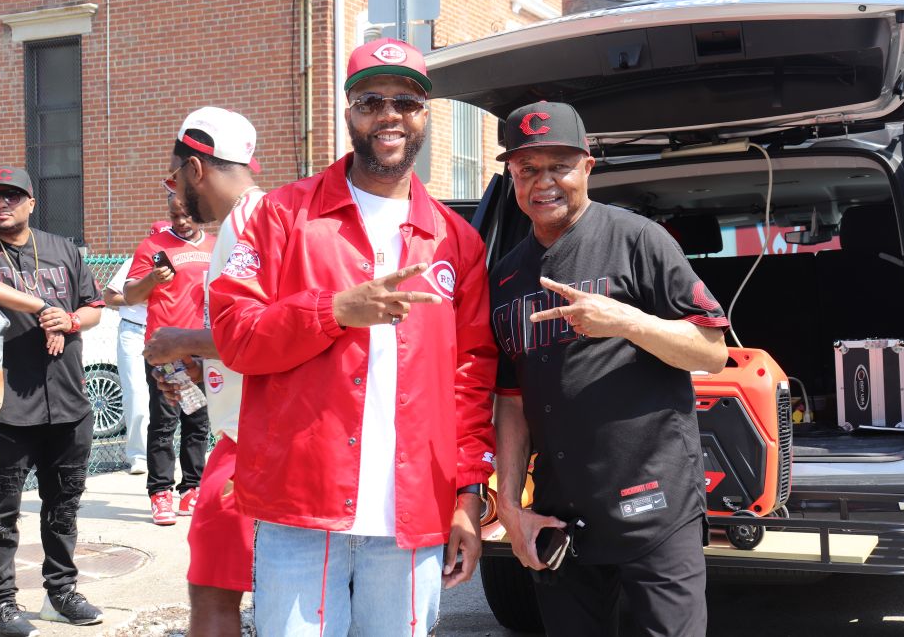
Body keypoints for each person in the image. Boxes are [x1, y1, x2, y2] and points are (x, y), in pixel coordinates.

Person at [208, 38, 496, 636]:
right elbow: (235, 335)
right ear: (348, 112)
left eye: (406, 101)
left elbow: (471, 383)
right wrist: (335, 309)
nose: (389, 115)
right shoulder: (282, 216)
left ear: (424, 114)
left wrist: (469, 497)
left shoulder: (456, 241)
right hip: (299, 509)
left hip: (412, 515)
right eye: (371, 101)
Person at [489, 102, 729, 637]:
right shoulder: (506, 276)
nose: (543, 182)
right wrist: (509, 507)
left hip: (656, 500)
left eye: (559, 165)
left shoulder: (639, 240)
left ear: (588, 167)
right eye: (527, 169)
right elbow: (511, 400)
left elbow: (712, 351)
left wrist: (627, 321)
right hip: (561, 513)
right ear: (512, 176)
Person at [0, 167, 106, 636]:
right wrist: (42, 309)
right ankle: (2, 602)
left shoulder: (62, 247)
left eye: (13, 196)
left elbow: (94, 308)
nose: (2, 203)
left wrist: (69, 323)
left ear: (32, 201)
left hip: (67, 399)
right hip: (6, 406)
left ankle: (60, 593)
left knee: (63, 506)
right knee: (2, 511)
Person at [142, 106, 265, 636]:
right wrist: (201, 361)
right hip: (244, 432)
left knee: (214, 591)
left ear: (196, 169)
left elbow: (275, 331)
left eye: (174, 178)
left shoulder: (251, 225)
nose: (176, 191)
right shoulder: (253, 220)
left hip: (256, 440)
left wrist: (182, 341)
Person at [123, 194, 215, 525]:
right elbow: (129, 295)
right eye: (174, 215)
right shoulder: (152, 246)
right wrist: (151, 280)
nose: (180, 221)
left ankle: (192, 488)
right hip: (166, 350)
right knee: (165, 420)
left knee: (198, 420)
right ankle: (160, 492)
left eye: (187, 215)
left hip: (204, 348)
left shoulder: (217, 246)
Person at [101, 220, 171, 476]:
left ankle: (167, 452)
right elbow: (109, 296)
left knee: (171, 396)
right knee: (137, 394)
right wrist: (137, 297)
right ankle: (139, 456)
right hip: (134, 330)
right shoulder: (138, 259)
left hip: (165, 333)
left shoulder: (180, 258)